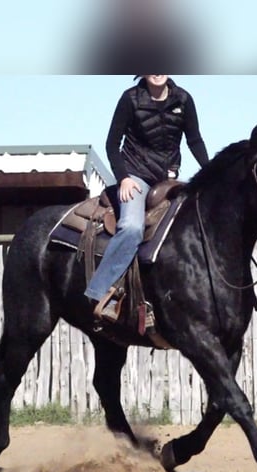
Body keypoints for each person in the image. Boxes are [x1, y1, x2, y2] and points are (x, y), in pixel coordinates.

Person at [85, 75, 210, 319]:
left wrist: (211, 172)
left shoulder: (183, 99)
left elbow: (194, 141)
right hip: (136, 177)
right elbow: (112, 144)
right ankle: (101, 291)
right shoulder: (130, 99)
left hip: (169, 179)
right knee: (132, 227)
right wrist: (124, 178)